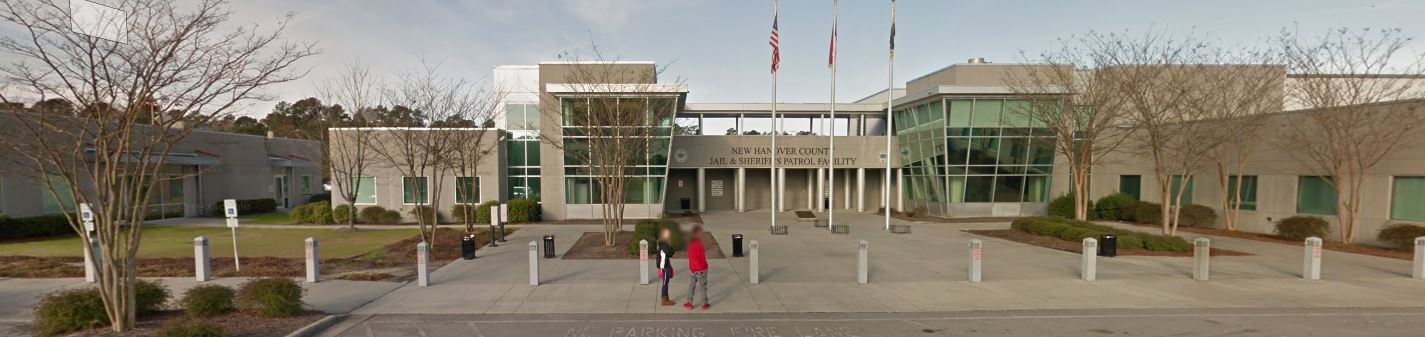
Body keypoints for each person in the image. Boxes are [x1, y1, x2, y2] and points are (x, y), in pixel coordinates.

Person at [684, 225, 710, 310]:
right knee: (703, 286)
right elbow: (701, 258)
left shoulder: (690, 244)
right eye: (700, 233)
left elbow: (691, 257)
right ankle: (704, 304)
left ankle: (689, 303)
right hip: (701, 269)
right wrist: (705, 266)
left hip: (693, 268)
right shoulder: (699, 244)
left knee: (692, 285)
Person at [657, 227, 676, 306]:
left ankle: (666, 298)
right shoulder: (664, 244)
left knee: (666, 282)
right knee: (665, 282)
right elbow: (670, 253)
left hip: (664, 264)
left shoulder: (663, 243)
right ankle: (664, 300)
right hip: (664, 265)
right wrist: (673, 247)